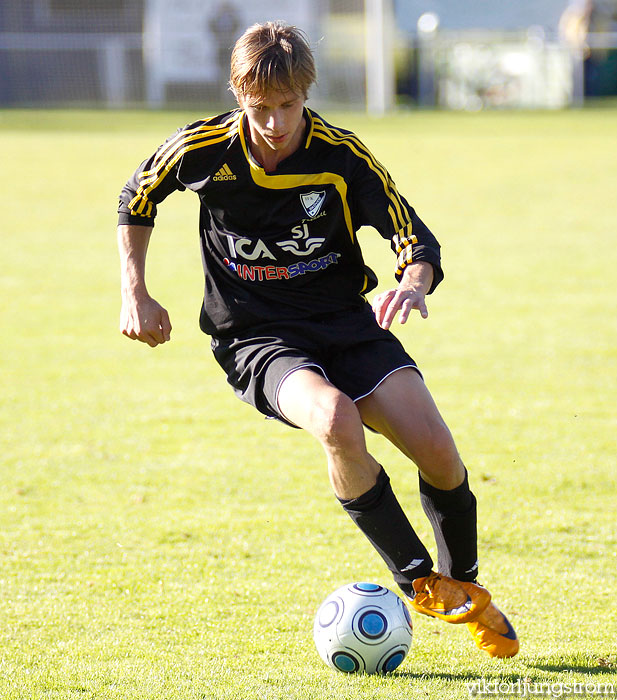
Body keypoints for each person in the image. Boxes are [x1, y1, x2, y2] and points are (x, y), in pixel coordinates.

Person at [117, 21, 519, 659]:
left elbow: (414, 238)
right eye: (259, 107)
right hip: (255, 334)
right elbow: (136, 199)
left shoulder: (341, 155)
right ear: (237, 94)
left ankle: (463, 587)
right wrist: (134, 291)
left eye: (288, 105)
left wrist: (413, 282)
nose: (275, 122)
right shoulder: (202, 147)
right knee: (334, 418)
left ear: (306, 93)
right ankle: (416, 578)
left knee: (439, 452)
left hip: (345, 324)